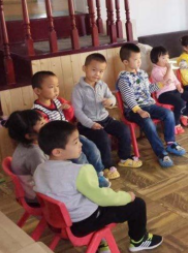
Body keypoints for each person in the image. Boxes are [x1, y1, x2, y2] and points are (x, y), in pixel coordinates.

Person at [33, 121, 163, 252]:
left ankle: (99, 243)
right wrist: (127, 197)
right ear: (57, 151)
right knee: (137, 204)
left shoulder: (39, 169)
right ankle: (139, 240)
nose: (81, 144)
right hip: (83, 223)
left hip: (58, 223)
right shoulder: (80, 171)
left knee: (89, 198)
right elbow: (102, 198)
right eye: (75, 142)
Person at [31, 71, 111, 186]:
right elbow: (46, 131)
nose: (56, 90)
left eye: (57, 86)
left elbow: (71, 118)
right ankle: (90, 180)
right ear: (38, 91)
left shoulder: (59, 101)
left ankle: (98, 174)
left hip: (71, 135)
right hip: (59, 142)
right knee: (80, 157)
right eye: (51, 87)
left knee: (92, 148)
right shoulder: (37, 112)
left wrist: (68, 109)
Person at [117, 43, 186, 168]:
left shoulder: (142, 74)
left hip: (149, 105)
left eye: (140, 59)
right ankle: (161, 153)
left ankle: (171, 143)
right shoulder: (123, 79)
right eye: (136, 59)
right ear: (126, 62)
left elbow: (148, 89)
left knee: (169, 114)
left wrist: (162, 83)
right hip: (133, 110)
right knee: (148, 122)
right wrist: (139, 111)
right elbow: (129, 98)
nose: (139, 62)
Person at [72, 53, 142, 176]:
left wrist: (110, 102)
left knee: (123, 129)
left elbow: (111, 97)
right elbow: (78, 111)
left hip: (105, 119)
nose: (97, 74)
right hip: (87, 124)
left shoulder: (102, 85)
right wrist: (90, 124)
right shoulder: (78, 89)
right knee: (102, 137)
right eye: (93, 70)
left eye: (101, 71)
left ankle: (124, 158)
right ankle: (107, 166)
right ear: (84, 68)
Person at [149, 46, 188, 128]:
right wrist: (168, 69)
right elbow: (164, 81)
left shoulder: (167, 68)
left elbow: (175, 80)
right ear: (155, 59)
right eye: (163, 58)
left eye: (167, 57)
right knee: (181, 103)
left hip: (174, 91)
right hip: (164, 94)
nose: (166, 60)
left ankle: (185, 116)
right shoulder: (155, 71)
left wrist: (178, 86)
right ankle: (175, 123)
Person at [5, 110, 48, 204]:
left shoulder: (23, 146)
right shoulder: (34, 153)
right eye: (42, 123)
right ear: (29, 136)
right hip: (38, 198)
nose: (47, 123)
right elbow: (45, 179)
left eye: (44, 120)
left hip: (31, 191)